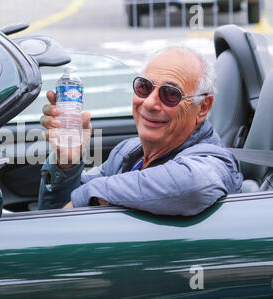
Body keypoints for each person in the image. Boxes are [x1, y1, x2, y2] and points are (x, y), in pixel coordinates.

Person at [38, 46, 243, 216]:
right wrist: (66, 164)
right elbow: (56, 218)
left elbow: (194, 186)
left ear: (203, 107)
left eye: (170, 94)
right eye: (144, 87)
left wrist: (88, 195)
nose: (150, 103)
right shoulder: (128, 152)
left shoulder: (213, 162)